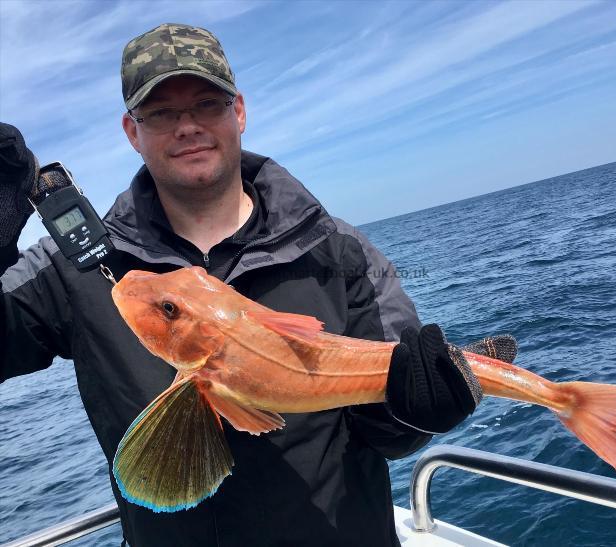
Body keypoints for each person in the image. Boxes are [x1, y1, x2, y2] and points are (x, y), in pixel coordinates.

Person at [0, 24, 481, 547]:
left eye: (208, 103)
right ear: (132, 131)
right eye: (160, 113)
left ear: (240, 112)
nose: (187, 126)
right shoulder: (76, 265)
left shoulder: (338, 249)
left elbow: (390, 431)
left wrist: (420, 407)